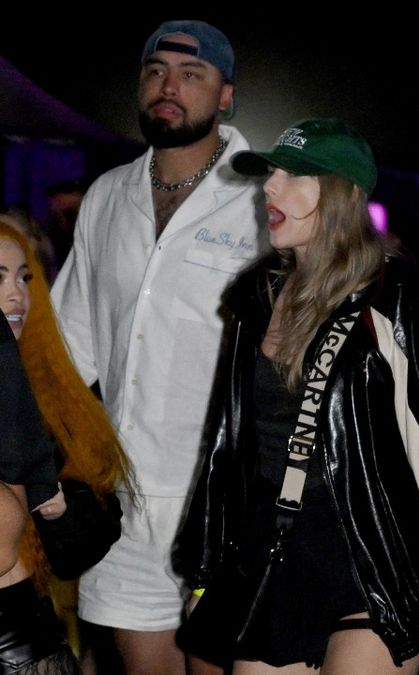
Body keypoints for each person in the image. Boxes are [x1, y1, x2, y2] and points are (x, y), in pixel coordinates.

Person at [173, 118, 419, 673]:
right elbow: (229, 442)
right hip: (274, 549)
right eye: (271, 172)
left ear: (340, 194)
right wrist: (205, 562)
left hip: (372, 550)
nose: (270, 186)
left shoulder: (396, 298)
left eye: (292, 175)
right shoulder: (256, 297)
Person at [49, 20, 262, 675]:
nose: (169, 86)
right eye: (156, 71)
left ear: (225, 96)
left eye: (191, 74)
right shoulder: (107, 197)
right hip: (122, 498)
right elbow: (67, 348)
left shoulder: (267, 198)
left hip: (230, 498)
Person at [0, 221, 130, 674]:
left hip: (23, 639)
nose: (17, 294)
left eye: (24, 277)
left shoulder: (46, 391)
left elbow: (88, 536)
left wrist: (56, 505)